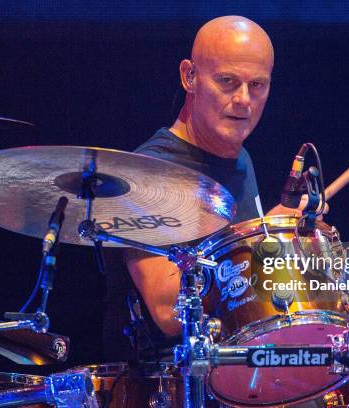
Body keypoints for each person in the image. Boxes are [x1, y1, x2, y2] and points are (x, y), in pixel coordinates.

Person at [124, 16, 298, 340]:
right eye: (228, 81)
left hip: (239, 371)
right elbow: (167, 312)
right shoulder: (147, 174)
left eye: (257, 85)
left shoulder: (239, 157)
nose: (244, 99)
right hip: (171, 382)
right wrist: (258, 241)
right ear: (190, 76)